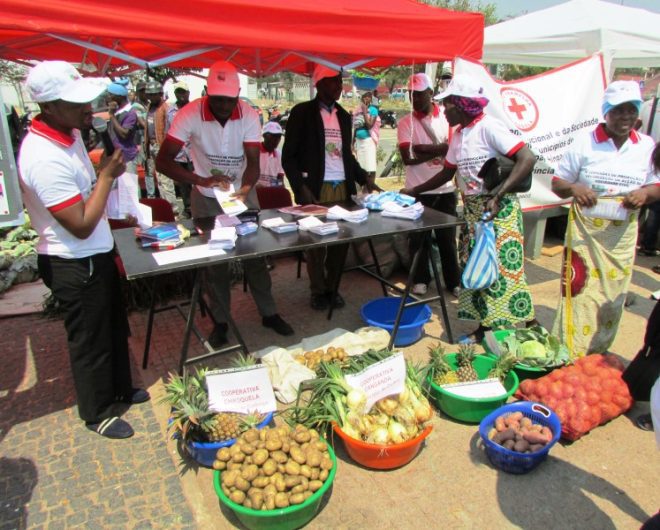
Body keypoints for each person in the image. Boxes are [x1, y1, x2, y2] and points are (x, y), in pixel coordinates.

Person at [17, 61, 149, 439]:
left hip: (97, 252)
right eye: (77, 103)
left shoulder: (69, 134)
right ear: (49, 107)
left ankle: (121, 388)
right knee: (90, 339)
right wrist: (107, 177)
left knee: (112, 328)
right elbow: (80, 223)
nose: (88, 108)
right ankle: (98, 411)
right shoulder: (43, 156)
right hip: (73, 260)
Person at [156, 60, 294, 346]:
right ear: (207, 92)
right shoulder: (189, 114)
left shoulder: (249, 115)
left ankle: (269, 313)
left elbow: (253, 162)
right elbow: (163, 162)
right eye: (217, 100)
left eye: (229, 101)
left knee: (255, 256)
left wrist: (244, 190)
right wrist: (199, 180)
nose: (223, 107)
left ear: (238, 94)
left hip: (242, 193)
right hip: (206, 198)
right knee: (214, 263)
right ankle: (221, 321)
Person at [401, 74, 537, 342]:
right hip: (474, 211)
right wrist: (414, 191)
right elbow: (446, 173)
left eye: (448, 103)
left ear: (462, 104)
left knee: (500, 273)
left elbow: (527, 158)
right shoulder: (460, 135)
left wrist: (498, 194)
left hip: (499, 211)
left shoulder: (489, 127)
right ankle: (485, 328)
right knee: (476, 269)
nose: (443, 109)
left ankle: (509, 331)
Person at [551, 80, 660, 356]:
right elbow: (558, 183)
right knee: (581, 295)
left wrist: (645, 194)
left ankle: (597, 354)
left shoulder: (646, 147)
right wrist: (574, 188)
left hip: (621, 238)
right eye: (618, 111)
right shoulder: (584, 143)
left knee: (611, 300)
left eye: (631, 111)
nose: (625, 117)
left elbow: (657, 184)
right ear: (606, 113)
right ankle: (570, 355)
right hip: (585, 236)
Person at [282, 63, 379, 310]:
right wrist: (300, 187)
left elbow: (346, 156)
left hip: (342, 189)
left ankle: (332, 287)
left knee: (340, 244)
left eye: (339, 81)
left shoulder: (344, 116)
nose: (339, 85)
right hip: (315, 188)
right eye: (335, 81)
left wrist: (363, 177)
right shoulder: (302, 112)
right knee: (316, 244)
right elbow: (288, 157)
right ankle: (318, 290)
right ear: (320, 83)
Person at [397, 73, 460, 298]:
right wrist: (441, 149)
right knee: (418, 240)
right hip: (417, 190)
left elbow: (454, 149)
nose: (414, 99)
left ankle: (453, 281)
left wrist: (423, 148)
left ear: (431, 93)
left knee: (447, 240)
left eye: (419, 94)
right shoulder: (406, 123)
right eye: (411, 95)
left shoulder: (447, 116)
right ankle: (421, 279)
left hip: (445, 190)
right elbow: (408, 157)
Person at [144, 80, 178, 213]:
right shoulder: (150, 108)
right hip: (151, 146)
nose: (151, 97)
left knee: (166, 180)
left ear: (160, 94)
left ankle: (173, 210)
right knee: (159, 180)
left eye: (154, 95)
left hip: (161, 146)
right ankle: (166, 209)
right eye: (150, 95)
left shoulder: (166, 108)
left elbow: (170, 130)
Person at [166, 80, 193, 218]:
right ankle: (188, 209)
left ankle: (199, 208)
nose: (181, 95)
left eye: (183, 92)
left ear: (188, 93)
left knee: (198, 183)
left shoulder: (194, 109)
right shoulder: (170, 111)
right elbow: (168, 133)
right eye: (178, 92)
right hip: (179, 154)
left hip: (194, 154)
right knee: (183, 184)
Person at [106, 82, 139, 173]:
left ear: (119, 96)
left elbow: (124, 134)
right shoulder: (117, 111)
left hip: (126, 158)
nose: (108, 97)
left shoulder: (130, 113)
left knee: (129, 186)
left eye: (110, 95)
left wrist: (112, 116)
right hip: (115, 157)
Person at [353, 91, 380, 185]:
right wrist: (352, 143)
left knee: (370, 167)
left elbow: (369, 126)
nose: (366, 98)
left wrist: (365, 112)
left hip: (368, 142)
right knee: (361, 167)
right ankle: (363, 188)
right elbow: (356, 128)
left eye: (369, 96)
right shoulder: (358, 110)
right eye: (364, 96)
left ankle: (370, 188)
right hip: (359, 142)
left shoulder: (373, 110)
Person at [257, 121, 285, 190]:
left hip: (270, 191)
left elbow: (280, 180)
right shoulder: (255, 152)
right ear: (264, 136)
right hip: (253, 191)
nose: (276, 140)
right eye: (272, 136)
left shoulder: (279, 155)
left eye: (278, 137)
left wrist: (269, 186)